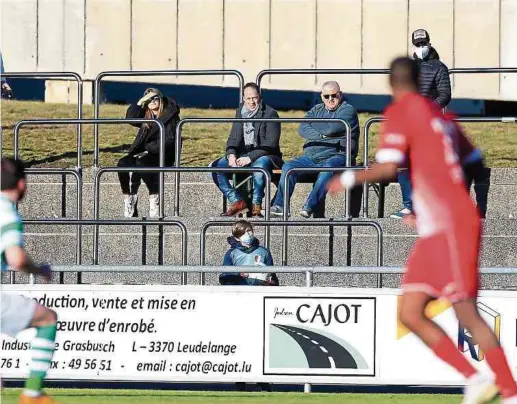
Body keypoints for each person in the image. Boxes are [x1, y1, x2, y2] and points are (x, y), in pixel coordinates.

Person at [328, 57, 517, 404]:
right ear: (420, 79)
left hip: (452, 223)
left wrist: (350, 177)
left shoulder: (402, 112)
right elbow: (475, 161)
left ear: (391, 83)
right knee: (410, 311)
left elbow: (387, 168)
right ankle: (475, 378)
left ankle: (510, 391)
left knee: (465, 309)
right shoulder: (441, 117)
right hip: (437, 225)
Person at [1, 158, 58, 404]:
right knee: (47, 319)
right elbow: (15, 257)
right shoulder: (6, 212)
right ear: (22, 185)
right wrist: (39, 270)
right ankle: (32, 394)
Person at [269, 81, 360, 218]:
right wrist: (323, 134)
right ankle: (280, 206)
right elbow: (302, 128)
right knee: (289, 167)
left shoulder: (347, 110)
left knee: (328, 169)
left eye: (334, 95)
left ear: (340, 95)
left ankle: (309, 206)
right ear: (321, 96)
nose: (330, 99)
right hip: (312, 156)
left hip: (338, 155)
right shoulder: (317, 109)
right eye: (327, 96)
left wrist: (315, 126)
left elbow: (332, 128)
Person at [391, 29, 452, 219]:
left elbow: (444, 94)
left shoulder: (439, 67)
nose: (421, 48)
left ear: (429, 43)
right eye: (418, 45)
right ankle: (409, 205)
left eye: (423, 44)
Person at [219, 220, 276, 392]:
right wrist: (239, 275)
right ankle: (240, 379)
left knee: (260, 341)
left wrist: (269, 281)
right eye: (245, 231)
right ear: (237, 235)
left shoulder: (263, 252)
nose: (249, 234)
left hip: (259, 300)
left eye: (250, 230)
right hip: (240, 301)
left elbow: (274, 277)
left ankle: (261, 378)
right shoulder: (232, 254)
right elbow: (223, 277)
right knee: (241, 340)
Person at [210, 82, 282, 217]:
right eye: (248, 98)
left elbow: (270, 144)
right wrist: (231, 155)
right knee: (216, 167)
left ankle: (256, 205)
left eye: (254, 98)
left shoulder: (270, 113)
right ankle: (237, 201)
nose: (252, 102)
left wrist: (250, 157)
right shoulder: (240, 112)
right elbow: (233, 138)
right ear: (243, 99)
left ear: (259, 97)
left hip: (267, 155)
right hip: (243, 154)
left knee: (259, 166)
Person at [118, 88, 180, 218]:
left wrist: (147, 150)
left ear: (161, 99)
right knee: (122, 163)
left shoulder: (170, 115)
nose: (151, 101)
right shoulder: (147, 114)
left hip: (164, 154)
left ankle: (154, 196)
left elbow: (169, 141)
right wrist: (140, 101)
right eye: (148, 99)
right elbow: (130, 118)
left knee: (141, 163)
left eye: (154, 98)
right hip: (145, 152)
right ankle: (128, 198)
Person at [219, 220, 278, 286]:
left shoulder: (264, 252)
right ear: (237, 238)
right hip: (239, 291)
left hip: (260, 290)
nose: (247, 234)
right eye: (243, 233)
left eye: (249, 231)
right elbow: (225, 276)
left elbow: (272, 276)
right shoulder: (231, 253)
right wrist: (239, 274)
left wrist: (270, 282)